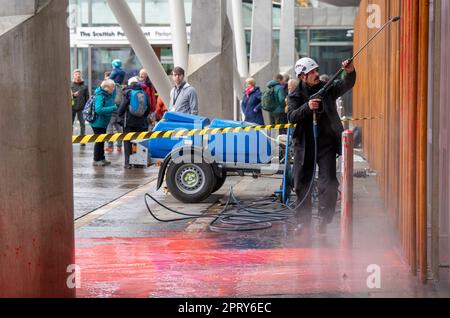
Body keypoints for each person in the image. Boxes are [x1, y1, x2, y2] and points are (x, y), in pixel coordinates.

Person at [287, 57, 356, 234]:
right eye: (312, 72)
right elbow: (292, 116)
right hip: (304, 145)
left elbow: (345, 85)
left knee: (329, 183)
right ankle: (303, 222)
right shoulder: (294, 94)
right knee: (302, 183)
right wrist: (307, 107)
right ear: (303, 76)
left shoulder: (326, 88)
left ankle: (324, 220)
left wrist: (349, 72)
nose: (316, 74)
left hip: (326, 145)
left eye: (316, 70)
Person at [118, 77, 151, 169]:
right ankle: (138, 162)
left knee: (128, 142)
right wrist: (143, 115)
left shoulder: (127, 92)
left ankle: (128, 163)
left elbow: (123, 106)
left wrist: (119, 115)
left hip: (129, 122)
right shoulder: (143, 93)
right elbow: (149, 107)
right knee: (139, 141)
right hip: (141, 122)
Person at [91, 80, 118, 167]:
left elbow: (115, 93)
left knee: (102, 140)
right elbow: (98, 110)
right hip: (98, 123)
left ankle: (102, 158)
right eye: (112, 87)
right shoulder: (100, 96)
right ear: (106, 88)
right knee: (99, 141)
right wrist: (112, 108)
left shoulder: (108, 94)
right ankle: (96, 159)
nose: (113, 89)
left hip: (103, 122)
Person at [104, 72, 123, 153]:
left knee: (109, 129)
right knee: (119, 129)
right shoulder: (118, 86)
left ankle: (110, 147)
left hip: (111, 110)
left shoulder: (109, 87)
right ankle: (119, 146)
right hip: (118, 110)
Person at [71, 69, 89, 143]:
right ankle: (70, 139)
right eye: (76, 74)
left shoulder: (84, 86)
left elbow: (87, 98)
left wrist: (87, 108)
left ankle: (82, 140)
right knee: (70, 124)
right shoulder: (70, 85)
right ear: (74, 76)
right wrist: (73, 95)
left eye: (79, 74)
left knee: (82, 125)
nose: (78, 76)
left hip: (82, 108)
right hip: (71, 108)